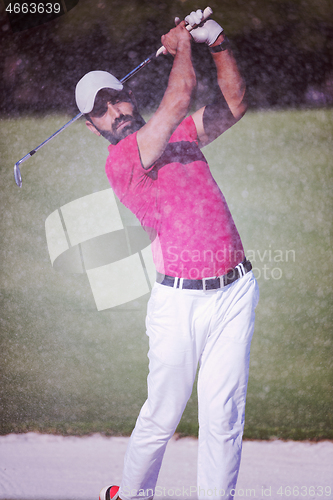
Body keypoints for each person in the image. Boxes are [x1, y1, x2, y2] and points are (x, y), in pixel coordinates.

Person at [75, 9, 259, 500]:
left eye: (117, 98)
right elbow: (178, 98)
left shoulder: (176, 134)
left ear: (129, 97)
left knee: (225, 416)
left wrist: (215, 41)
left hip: (235, 290)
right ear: (92, 128)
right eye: (102, 110)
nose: (115, 110)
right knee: (163, 415)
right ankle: (130, 497)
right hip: (180, 305)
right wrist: (182, 46)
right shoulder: (122, 161)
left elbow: (236, 104)